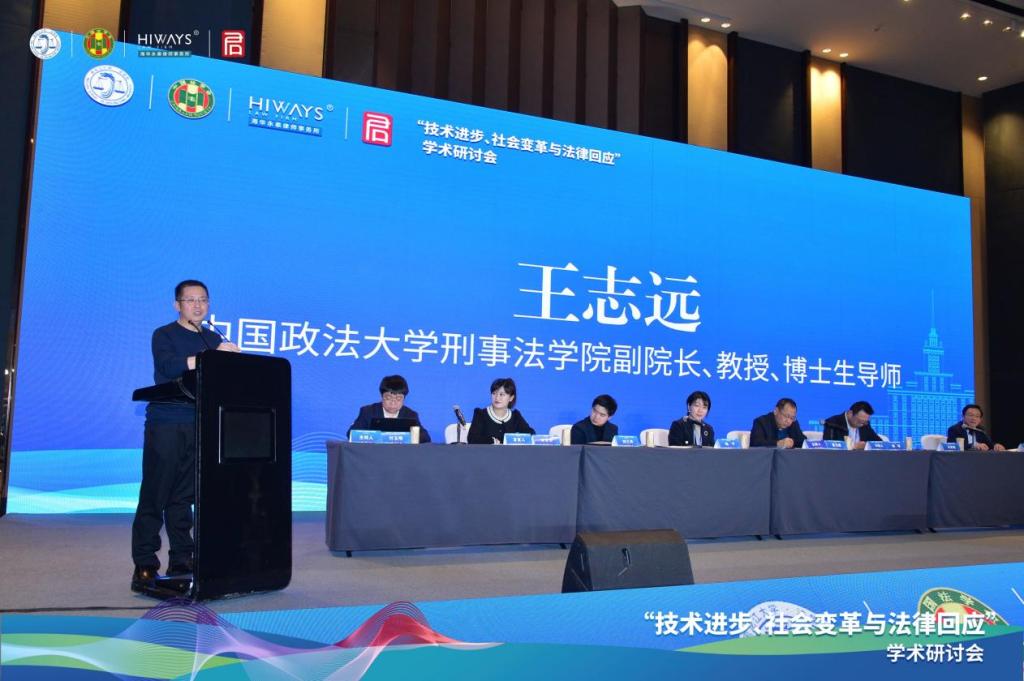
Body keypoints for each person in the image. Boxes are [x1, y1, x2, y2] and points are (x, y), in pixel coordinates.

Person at [131, 280, 240, 592]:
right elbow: (168, 368)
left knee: (183, 497)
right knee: (156, 493)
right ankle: (144, 563)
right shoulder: (164, 334)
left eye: (203, 300)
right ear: (176, 305)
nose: (197, 305)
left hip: (200, 423)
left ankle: (182, 559)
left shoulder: (213, 338)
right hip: (167, 423)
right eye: (190, 300)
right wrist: (212, 357)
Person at [346, 375, 432, 442]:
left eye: (398, 398)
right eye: (388, 398)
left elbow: (426, 438)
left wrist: (404, 437)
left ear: (404, 399)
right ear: (381, 397)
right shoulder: (368, 412)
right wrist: (377, 436)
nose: (393, 402)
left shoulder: (410, 415)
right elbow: (351, 434)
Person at [467, 378, 535, 444]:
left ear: (511, 398)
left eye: (501, 394)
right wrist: (491, 441)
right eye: (494, 393)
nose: (497, 398)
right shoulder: (481, 414)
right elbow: (472, 439)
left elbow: (531, 434)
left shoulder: (516, 417)